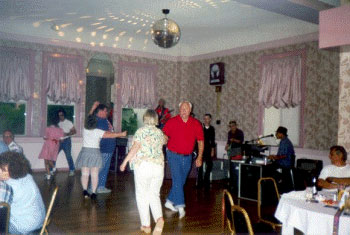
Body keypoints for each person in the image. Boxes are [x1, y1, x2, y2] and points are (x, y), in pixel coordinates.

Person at [120, 109, 166, 235]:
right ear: (156, 119)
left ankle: (146, 225)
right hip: (159, 167)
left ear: (145, 119)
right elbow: (164, 142)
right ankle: (159, 218)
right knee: (154, 194)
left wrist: (124, 162)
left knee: (142, 196)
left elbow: (135, 147)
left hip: (144, 166)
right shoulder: (160, 133)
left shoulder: (140, 131)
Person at [163, 101, 204, 219]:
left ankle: (169, 201)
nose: (183, 111)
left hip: (188, 156)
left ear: (190, 110)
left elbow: (200, 141)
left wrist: (199, 157)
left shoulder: (196, 123)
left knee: (181, 181)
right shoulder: (172, 121)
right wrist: (164, 138)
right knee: (177, 180)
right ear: (179, 110)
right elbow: (164, 135)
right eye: (181, 109)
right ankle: (181, 206)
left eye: (186, 108)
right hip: (173, 155)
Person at [75, 113, 127, 200]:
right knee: (95, 174)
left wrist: (92, 109)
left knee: (85, 174)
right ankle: (94, 193)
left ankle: (85, 191)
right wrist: (121, 134)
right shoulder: (98, 131)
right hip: (95, 153)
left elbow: (88, 118)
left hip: (85, 152)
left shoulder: (84, 129)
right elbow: (110, 135)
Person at [0, 151, 45, 234]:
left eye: (2, 170)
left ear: (10, 172)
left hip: (23, 226)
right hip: (40, 220)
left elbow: (2, 205)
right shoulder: (27, 176)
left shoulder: (10, 187)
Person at [89, 101, 117, 194]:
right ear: (100, 111)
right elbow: (104, 134)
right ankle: (94, 188)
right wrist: (119, 134)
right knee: (100, 169)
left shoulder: (104, 120)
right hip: (104, 149)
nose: (107, 112)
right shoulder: (99, 121)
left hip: (107, 149)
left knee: (103, 169)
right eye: (105, 111)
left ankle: (99, 187)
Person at [268, 126, 295, 193]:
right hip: (283, 162)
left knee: (268, 168)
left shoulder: (285, 142)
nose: (276, 134)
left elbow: (283, 156)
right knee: (270, 167)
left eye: (277, 133)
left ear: (281, 134)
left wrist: (274, 157)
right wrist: (274, 156)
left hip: (285, 163)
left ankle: (279, 181)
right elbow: (281, 154)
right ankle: (279, 180)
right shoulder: (284, 141)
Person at [197, 113, 215, 189]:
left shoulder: (212, 129)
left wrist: (212, 150)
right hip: (201, 148)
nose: (206, 120)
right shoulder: (201, 127)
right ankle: (199, 183)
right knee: (199, 166)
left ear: (210, 119)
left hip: (208, 149)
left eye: (207, 118)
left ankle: (206, 180)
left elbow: (212, 140)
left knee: (210, 165)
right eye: (204, 118)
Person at [57, 109, 76, 176]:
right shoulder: (57, 123)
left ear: (64, 115)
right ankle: (51, 170)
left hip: (66, 141)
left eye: (61, 115)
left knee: (68, 156)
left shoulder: (69, 122)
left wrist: (66, 134)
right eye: (59, 115)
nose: (60, 116)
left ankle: (72, 170)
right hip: (58, 141)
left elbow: (74, 131)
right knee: (53, 155)